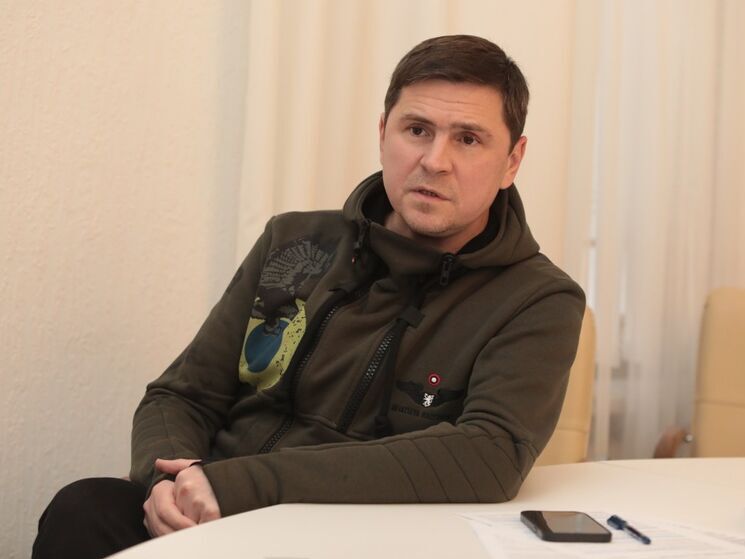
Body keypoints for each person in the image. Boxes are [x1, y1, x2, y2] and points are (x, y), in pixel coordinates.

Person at [33, 34, 585, 558]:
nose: (435, 160)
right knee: (83, 510)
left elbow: (487, 455)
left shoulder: (539, 299)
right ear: (383, 133)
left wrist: (242, 487)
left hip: (350, 537)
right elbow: (182, 395)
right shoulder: (295, 241)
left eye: (468, 139)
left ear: (512, 161)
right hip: (211, 512)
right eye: (417, 129)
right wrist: (168, 482)